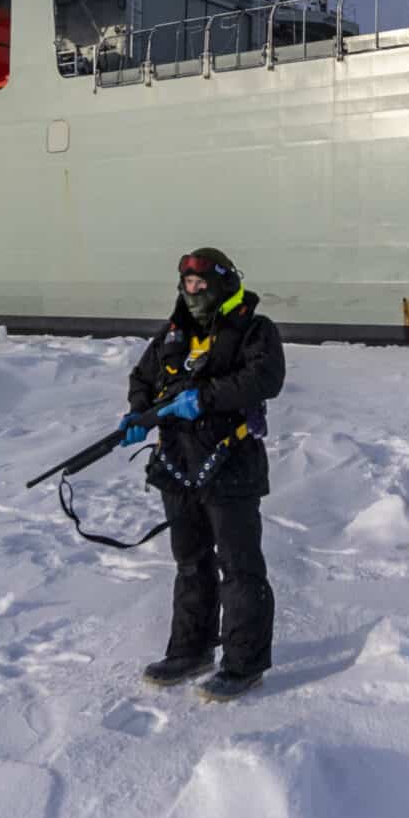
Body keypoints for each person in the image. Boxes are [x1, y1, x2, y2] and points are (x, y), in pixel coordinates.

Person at [122, 247, 285, 701]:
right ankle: (190, 650)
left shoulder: (255, 329)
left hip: (229, 463)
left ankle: (244, 662)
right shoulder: (174, 333)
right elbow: (143, 378)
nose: (192, 291)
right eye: (186, 283)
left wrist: (206, 398)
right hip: (177, 463)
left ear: (221, 284)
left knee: (239, 566)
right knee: (190, 563)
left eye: (200, 284)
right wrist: (138, 413)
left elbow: (264, 378)